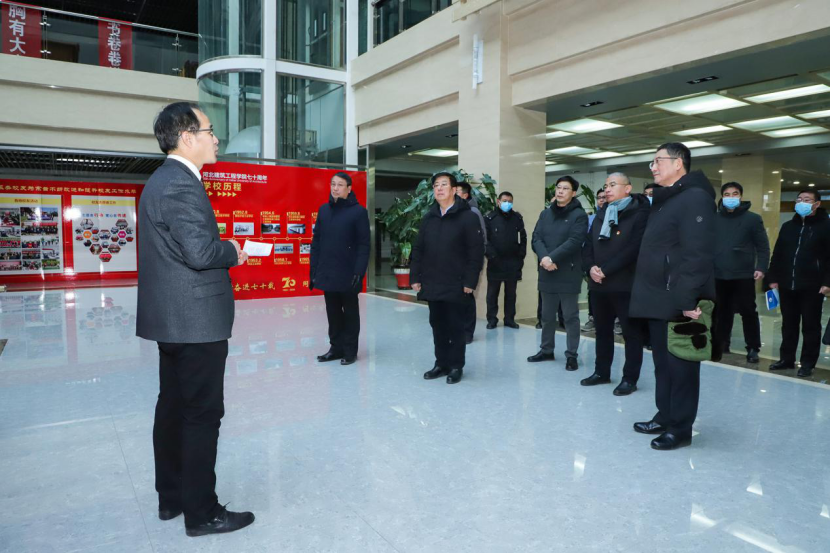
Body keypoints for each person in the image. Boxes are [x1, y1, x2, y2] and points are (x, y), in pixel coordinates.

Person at [136, 102, 255, 537]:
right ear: (187, 137)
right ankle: (202, 512)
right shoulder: (180, 184)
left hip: (175, 320)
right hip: (195, 321)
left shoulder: (162, 180)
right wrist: (233, 251)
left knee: (173, 407)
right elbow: (202, 253)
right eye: (210, 130)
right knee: (203, 414)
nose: (216, 138)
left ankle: (172, 497)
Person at [630, 142, 716, 451]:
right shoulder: (667, 200)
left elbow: (698, 255)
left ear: (678, 163)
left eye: (658, 161)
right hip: (658, 297)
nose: (652, 167)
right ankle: (665, 414)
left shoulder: (695, 199)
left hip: (680, 299)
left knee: (682, 366)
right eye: (651, 162)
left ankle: (681, 428)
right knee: (663, 365)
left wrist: (688, 300)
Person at [411, 172, 485, 384]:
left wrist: (470, 282)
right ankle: (440, 363)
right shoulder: (429, 218)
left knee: (455, 325)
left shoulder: (468, 217)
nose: (439, 188)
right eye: (436, 185)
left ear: (454, 190)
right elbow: (418, 249)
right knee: (437, 324)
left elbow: (475, 252)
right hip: (432, 281)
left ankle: (455, 365)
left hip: (457, 282)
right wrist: (415, 276)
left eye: (444, 185)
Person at [581, 172, 650, 396]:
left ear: (627, 188)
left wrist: (606, 270)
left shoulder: (639, 214)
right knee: (602, 331)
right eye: (606, 185)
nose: (607, 189)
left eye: (613, 185)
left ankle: (630, 378)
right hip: (598, 284)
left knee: (631, 334)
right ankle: (602, 372)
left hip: (624, 284)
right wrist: (591, 267)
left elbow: (634, 248)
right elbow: (589, 244)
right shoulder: (602, 212)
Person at [527, 176, 588, 370]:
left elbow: (574, 241)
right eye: (558, 187)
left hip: (568, 273)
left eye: (565, 188)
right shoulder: (545, 214)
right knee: (546, 316)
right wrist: (545, 259)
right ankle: (546, 350)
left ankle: (571, 355)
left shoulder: (579, 215)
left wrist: (551, 258)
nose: (560, 191)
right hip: (547, 272)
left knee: (570, 317)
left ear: (573, 193)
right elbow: (536, 238)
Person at [767, 189, 830, 377]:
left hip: (812, 285)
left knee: (811, 326)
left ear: (817, 204)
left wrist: (827, 282)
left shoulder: (826, 226)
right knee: (788, 324)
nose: (802, 202)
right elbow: (777, 254)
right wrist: (772, 278)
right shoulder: (788, 226)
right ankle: (786, 359)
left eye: (807, 199)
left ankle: (808, 363)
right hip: (787, 284)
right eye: (800, 199)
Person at [311, 172, 370, 366]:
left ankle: (350, 351)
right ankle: (335, 348)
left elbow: (364, 245)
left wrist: (359, 272)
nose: (335, 188)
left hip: (348, 272)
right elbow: (316, 241)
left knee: (350, 313)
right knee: (333, 312)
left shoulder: (358, 212)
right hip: (328, 271)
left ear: (349, 188)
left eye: (340, 185)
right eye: (333, 184)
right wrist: (313, 271)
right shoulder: (324, 210)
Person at [712, 182, 770, 364]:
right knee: (721, 312)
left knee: (748, 311)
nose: (731, 197)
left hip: (743, 274)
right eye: (727, 194)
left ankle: (753, 347)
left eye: (734, 194)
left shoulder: (752, 219)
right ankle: (720, 344)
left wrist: (760, 267)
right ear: (722, 197)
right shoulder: (713, 218)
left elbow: (763, 246)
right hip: (718, 274)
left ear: (741, 196)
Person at [485, 191, 527, 330]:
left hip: (512, 263)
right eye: (504, 200)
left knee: (511, 294)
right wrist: (492, 256)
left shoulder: (517, 218)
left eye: (510, 201)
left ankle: (509, 319)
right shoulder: (490, 218)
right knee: (492, 294)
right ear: (498, 201)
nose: (507, 203)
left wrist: (520, 256)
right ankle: (492, 319)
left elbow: (523, 238)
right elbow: (485, 240)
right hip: (495, 262)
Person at [454, 181, 487, 344]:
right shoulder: (453, 212)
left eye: (457, 191)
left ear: (465, 195)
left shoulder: (473, 212)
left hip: (468, 264)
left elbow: (481, 241)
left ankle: (468, 332)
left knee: (467, 297)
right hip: (454, 264)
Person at [583, 188, 607, 332]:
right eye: (599, 197)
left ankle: (616, 321)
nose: (602, 200)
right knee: (592, 292)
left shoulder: (617, 217)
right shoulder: (591, 219)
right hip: (593, 264)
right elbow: (586, 242)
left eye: (604, 197)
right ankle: (593, 318)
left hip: (610, 265)